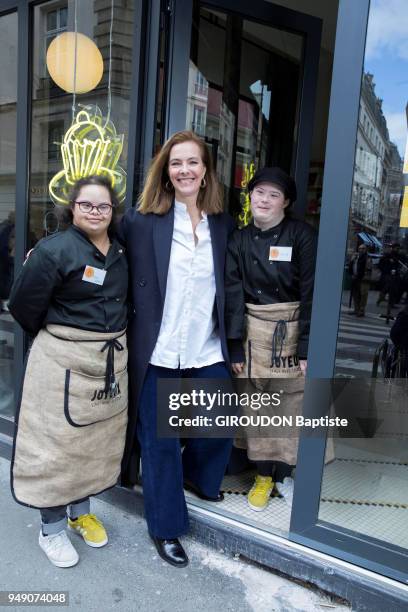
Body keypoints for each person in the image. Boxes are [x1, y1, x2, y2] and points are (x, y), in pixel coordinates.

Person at [119, 130, 234, 568]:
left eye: (192, 162)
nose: (184, 170)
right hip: (159, 348)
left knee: (219, 422)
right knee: (160, 440)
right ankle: (166, 528)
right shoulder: (142, 220)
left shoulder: (221, 223)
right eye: (175, 163)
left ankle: (197, 478)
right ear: (166, 172)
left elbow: (230, 286)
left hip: (205, 346)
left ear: (205, 172)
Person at [8, 175, 128, 568]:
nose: (95, 212)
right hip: (61, 362)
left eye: (103, 206)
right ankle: (52, 529)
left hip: (105, 364)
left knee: (91, 444)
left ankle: (81, 514)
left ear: (113, 212)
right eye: (87, 205)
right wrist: (64, 342)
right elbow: (24, 306)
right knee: (55, 448)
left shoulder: (121, 252)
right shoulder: (53, 250)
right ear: (72, 209)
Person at [225, 167, 317, 511]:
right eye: (259, 192)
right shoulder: (238, 238)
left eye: (274, 194)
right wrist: (234, 344)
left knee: (291, 406)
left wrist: (307, 347)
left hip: (292, 330)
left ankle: (285, 475)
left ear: (286, 202)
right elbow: (232, 293)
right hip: (254, 332)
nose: (264, 199)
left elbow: (312, 293)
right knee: (256, 407)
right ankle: (263, 476)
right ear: (250, 197)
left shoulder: (302, 236)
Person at [348, 244, 372, 317]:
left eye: (363, 248)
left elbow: (368, 268)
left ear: (365, 250)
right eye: (360, 248)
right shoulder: (356, 257)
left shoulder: (367, 258)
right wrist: (352, 260)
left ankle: (361, 310)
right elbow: (350, 267)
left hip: (363, 279)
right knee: (355, 294)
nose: (361, 250)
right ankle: (356, 309)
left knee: (363, 295)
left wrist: (363, 276)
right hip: (355, 278)